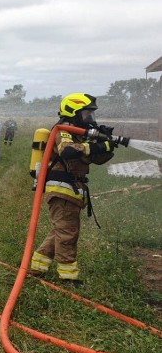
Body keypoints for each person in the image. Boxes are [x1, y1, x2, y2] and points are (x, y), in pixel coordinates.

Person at [30, 93, 116, 285]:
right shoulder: (64, 130)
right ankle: (68, 277)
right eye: (86, 114)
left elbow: (97, 159)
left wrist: (107, 146)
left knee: (61, 229)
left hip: (73, 187)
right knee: (68, 231)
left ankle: (38, 266)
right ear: (73, 112)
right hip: (62, 187)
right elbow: (68, 150)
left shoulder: (79, 135)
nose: (90, 119)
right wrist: (95, 146)